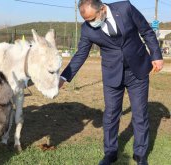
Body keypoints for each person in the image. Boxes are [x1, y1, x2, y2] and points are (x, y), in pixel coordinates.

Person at [58, 1, 163, 165]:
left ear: (102, 9)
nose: (91, 23)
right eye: (87, 21)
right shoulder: (87, 29)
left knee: (140, 114)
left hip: (138, 70)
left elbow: (147, 31)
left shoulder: (125, 8)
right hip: (112, 74)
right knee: (111, 115)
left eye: (93, 19)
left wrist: (156, 55)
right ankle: (110, 153)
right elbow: (81, 54)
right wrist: (63, 77)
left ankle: (140, 155)